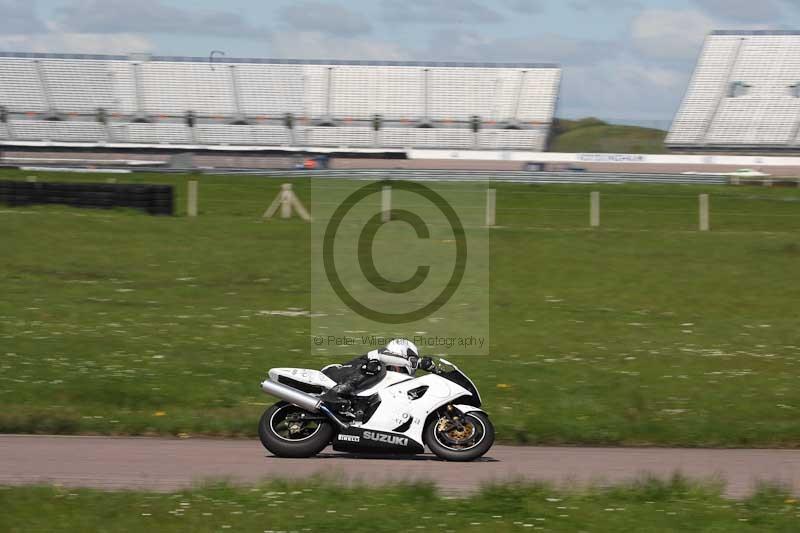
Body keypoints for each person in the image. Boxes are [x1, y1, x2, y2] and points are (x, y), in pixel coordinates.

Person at [320, 339, 434, 412]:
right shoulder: (380, 356)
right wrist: (420, 363)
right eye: (412, 359)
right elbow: (383, 358)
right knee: (377, 367)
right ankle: (336, 393)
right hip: (335, 374)